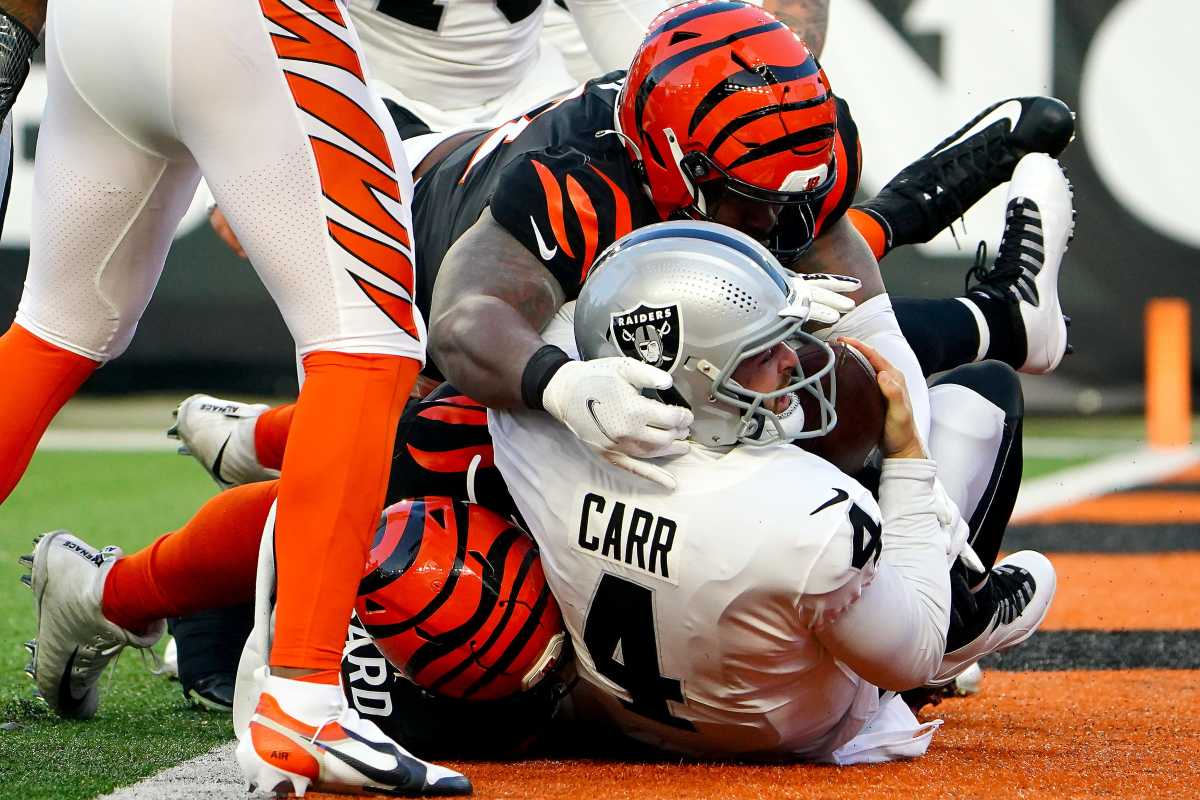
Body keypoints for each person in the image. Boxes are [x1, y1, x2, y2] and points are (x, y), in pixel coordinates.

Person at [21, 221, 1056, 764]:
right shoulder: (807, 518)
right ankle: (1005, 327)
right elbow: (910, 641)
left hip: (582, 660)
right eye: (765, 363)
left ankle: (208, 501)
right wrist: (916, 474)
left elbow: (453, 373)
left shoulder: (547, 426)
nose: (790, 375)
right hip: (631, 692)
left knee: (416, 443)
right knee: (974, 408)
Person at [6, 0, 467, 795]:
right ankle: (302, 700)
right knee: (370, 343)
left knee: (54, 333)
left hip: (91, 26)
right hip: (246, 24)